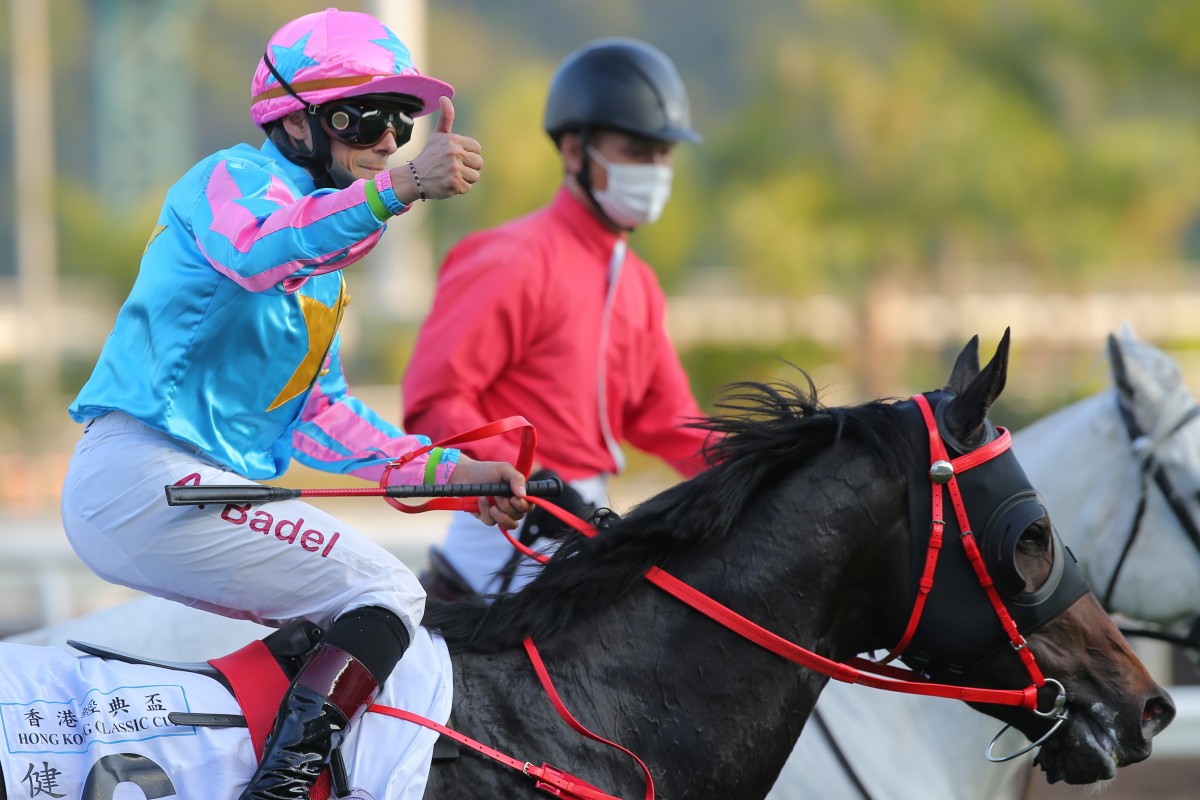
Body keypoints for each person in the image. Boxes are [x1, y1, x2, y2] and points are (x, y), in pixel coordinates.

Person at [60, 9, 529, 800]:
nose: (390, 142)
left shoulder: (325, 276)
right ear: (301, 118)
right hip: (141, 475)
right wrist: (406, 187)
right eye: (372, 118)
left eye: (404, 124)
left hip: (198, 493)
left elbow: (323, 416)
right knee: (387, 592)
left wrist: (451, 471)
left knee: (351, 618)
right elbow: (264, 247)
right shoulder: (226, 184)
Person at [403, 37, 713, 597]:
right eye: (638, 151)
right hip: (507, 529)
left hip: (586, 520)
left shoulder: (636, 281)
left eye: (664, 154)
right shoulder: (508, 259)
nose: (657, 170)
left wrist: (774, 467)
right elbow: (433, 402)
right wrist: (533, 477)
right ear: (575, 151)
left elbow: (669, 422)